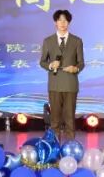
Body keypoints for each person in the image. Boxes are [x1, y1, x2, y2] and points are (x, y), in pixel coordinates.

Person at [39, 9, 85, 141]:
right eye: (60, 20)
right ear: (55, 22)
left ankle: (70, 147)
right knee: (55, 121)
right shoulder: (48, 41)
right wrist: (50, 65)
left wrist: (75, 68)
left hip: (70, 84)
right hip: (55, 84)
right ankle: (54, 148)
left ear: (68, 22)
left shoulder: (77, 41)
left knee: (70, 119)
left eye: (65, 20)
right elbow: (42, 62)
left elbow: (81, 63)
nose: (62, 23)